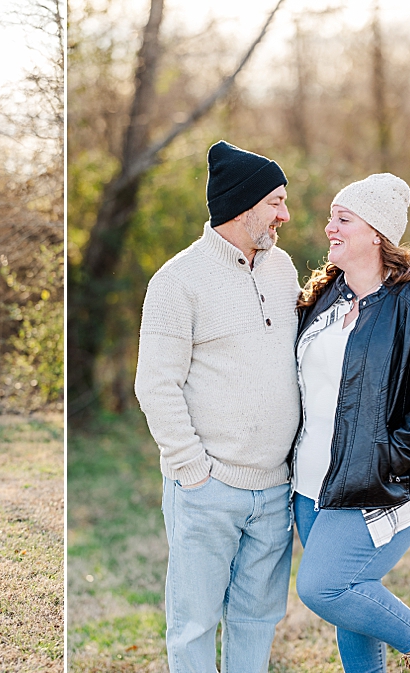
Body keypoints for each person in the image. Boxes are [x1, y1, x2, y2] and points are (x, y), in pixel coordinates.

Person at [292, 174, 410, 673]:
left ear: (376, 232)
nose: (329, 227)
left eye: (342, 219)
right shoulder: (325, 296)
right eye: (332, 218)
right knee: (348, 601)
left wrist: (388, 457)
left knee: (324, 586)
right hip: (312, 479)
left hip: (382, 477)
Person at [134, 141, 301, 672]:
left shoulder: (284, 270)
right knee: (194, 624)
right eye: (276, 201)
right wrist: (193, 471)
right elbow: (156, 385)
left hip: (275, 488)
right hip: (208, 488)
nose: (285, 214)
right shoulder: (177, 281)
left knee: (256, 620)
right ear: (243, 204)